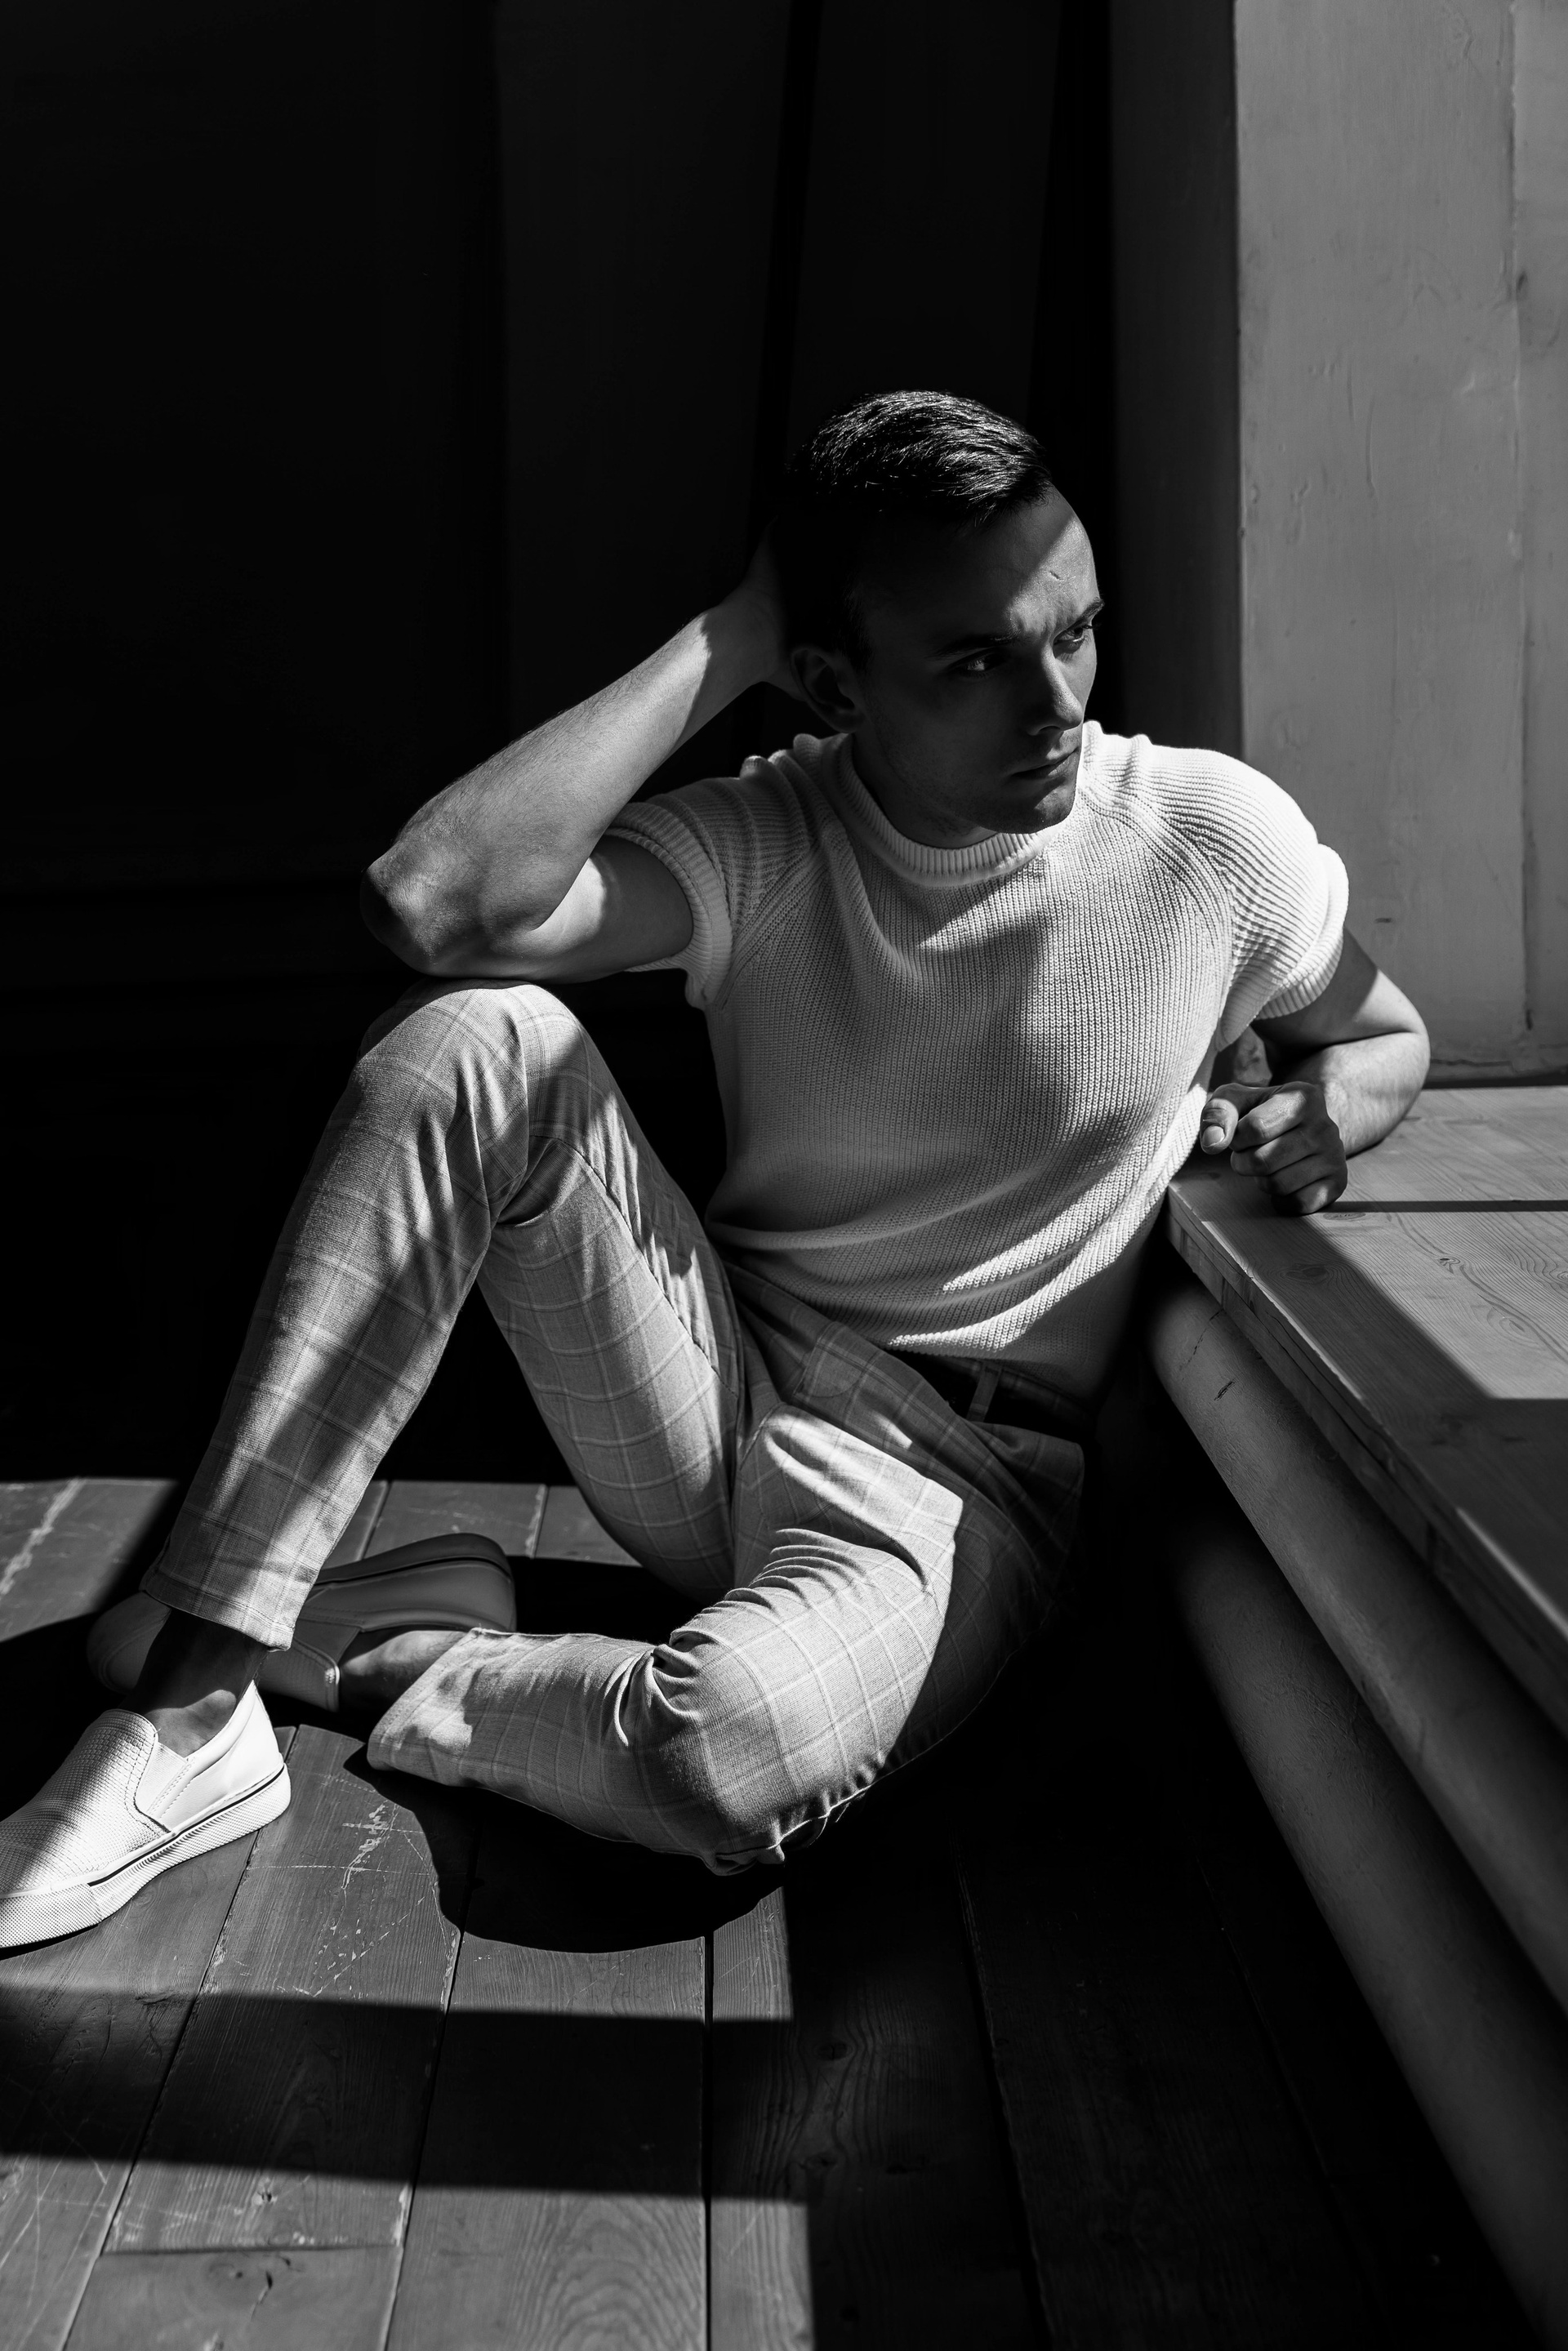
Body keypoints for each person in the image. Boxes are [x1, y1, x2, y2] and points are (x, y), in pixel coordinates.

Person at [0, 391, 1429, 1945]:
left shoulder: (1210, 841)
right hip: (717, 1394)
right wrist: (739, 628)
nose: (1058, 705)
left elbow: (1384, 1032)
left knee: (719, 1757)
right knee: (472, 1036)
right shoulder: (779, 830)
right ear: (832, 679)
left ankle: (392, 1653)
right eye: (975, 660)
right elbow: (434, 904)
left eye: (1076, 633)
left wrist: (1332, 1113)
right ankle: (193, 1713)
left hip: (960, 1480)